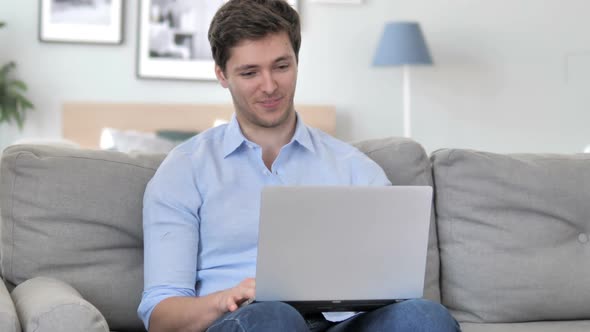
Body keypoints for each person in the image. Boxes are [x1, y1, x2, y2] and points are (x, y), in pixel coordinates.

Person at [138, 0, 461, 331]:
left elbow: (392, 287)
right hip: (246, 322)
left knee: (425, 316)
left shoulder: (355, 169)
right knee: (273, 315)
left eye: (281, 66)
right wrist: (224, 298)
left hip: (341, 324)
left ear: (296, 62)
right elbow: (161, 316)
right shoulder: (185, 170)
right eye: (250, 72)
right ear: (222, 75)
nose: (269, 86)